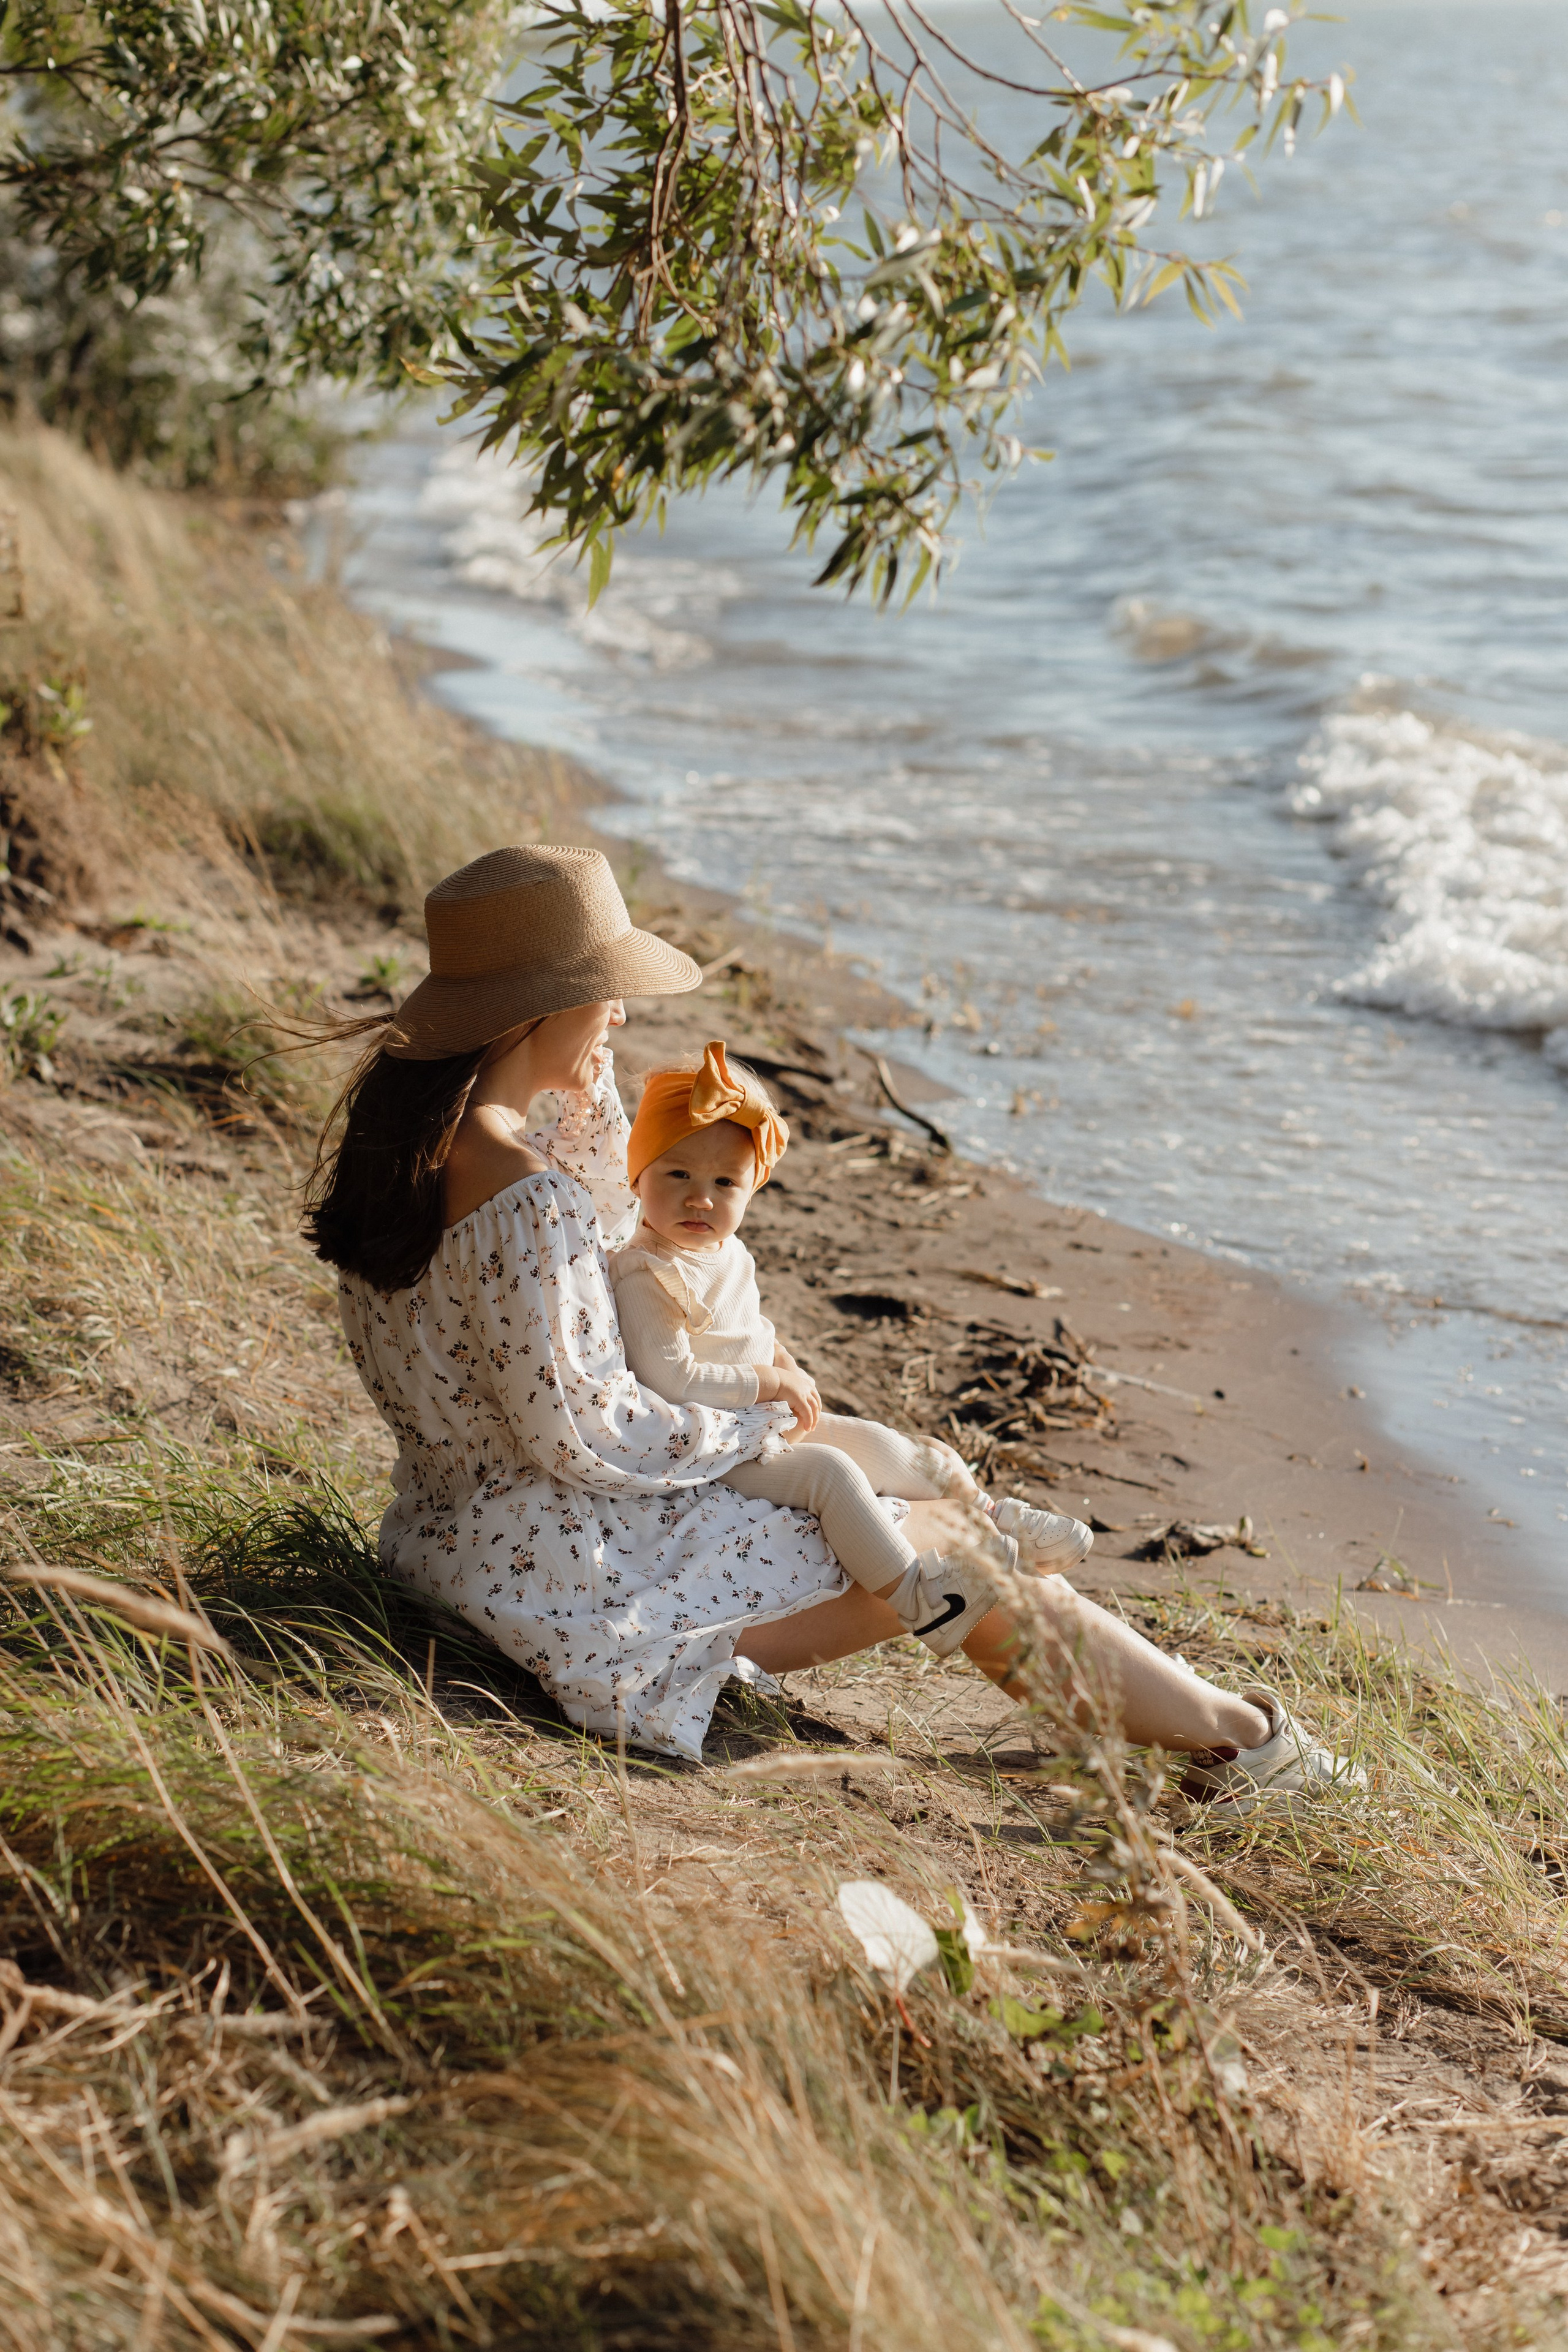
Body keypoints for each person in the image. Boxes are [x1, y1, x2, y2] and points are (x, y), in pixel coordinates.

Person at [303, 842, 1362, 1804]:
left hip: (454, 1543)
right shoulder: (530, 1199)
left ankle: (1211, 1737)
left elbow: (594, 1264)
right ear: (535, 1010)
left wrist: (582, 1086)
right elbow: (584, 1430)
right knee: (953, 1546)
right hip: (575, 1582)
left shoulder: (410, 1159)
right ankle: (1243, 1748)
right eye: (605, 995)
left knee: (901, 1504)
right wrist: (759, 1424)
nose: (620, 1016)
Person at [610, 1039, 1095, 1655]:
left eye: (725, 1182)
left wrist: (784, 1365)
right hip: (706, 1449)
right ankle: (921, 1600)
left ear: (751, 1189)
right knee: (831, 1475)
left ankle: (993, 1514)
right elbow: (669, 1377)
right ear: (639, 1175)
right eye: (678, 1174)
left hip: (759, 1422)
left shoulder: (725, 1251)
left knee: (910, 1453)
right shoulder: (647, 1271)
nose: (701, 1198)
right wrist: (772, 1382)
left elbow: (748, 1329)